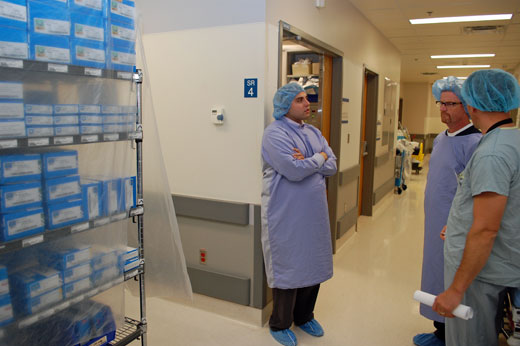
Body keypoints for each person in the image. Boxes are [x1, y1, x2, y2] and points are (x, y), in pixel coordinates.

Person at [432, 69, 520, 346]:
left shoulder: (491, 153)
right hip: (501, 262)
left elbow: (485, 230)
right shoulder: (511, 139)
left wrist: (456, 290)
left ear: (471, 104)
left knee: (471, 339)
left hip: (482, 272)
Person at [261, 82, 337, 346]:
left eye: (307, 99)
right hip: (285, 214)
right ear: (285, 106)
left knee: (312, 263)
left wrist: (310, 159)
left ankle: (304, 317)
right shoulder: (274, 134)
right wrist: (317, 158)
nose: (308, 104)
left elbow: (333, 165)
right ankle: (280, 323)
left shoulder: (315, 132)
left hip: (314, 214)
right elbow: (293, 170)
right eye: (300, 100)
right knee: (288, 266)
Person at [413, 77, 482, 346]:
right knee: (434, 272)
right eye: (441, 103)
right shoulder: (442, 138)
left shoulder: (475, 143)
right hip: (435, 225)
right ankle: (439, 329)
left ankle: (450, 335)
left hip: (456, 227)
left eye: (450, 104)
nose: (443, 109)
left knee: (453, 277)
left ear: (467, 106)